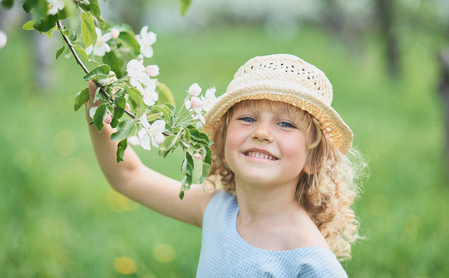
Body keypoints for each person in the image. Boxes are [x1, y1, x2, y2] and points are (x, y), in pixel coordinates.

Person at [86, 54, 364, 277]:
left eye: (285, 124)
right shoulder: (217, 208)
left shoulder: (307, 258)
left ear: (314, 159)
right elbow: (127, 176)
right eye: (247, 119)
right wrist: (98, 115)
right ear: (222, 140)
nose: (262, 133)